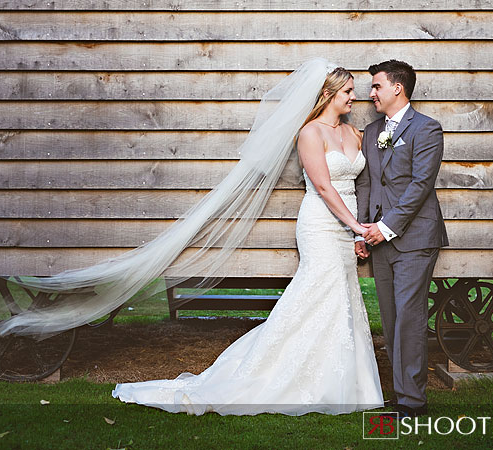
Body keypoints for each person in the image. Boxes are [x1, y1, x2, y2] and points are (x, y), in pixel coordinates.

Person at [111, 64, 384, 415]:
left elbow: (360, 183)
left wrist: (358, 230)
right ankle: (273, 373)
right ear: (328, 94)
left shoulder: (355, 134)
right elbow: (322, 186)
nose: (354, 96)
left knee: (343, 298)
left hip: (348, 227)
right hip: (320, 223)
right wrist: (357, 227)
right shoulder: (309, 134)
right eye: (348, 91)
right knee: (316, 292)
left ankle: (345, 382)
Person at [354, 60, 449, 418]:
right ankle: (402, 393)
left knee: (409, 318)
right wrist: (363, 229)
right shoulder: (371, 130)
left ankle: (412, 402)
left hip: (415, 238)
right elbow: (367, 183)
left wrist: (386, 226)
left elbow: (420, 186)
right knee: (391, 318)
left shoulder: (427, 129)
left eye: (377, 86)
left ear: (398, 88)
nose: (371, 93)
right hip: (378, 240)